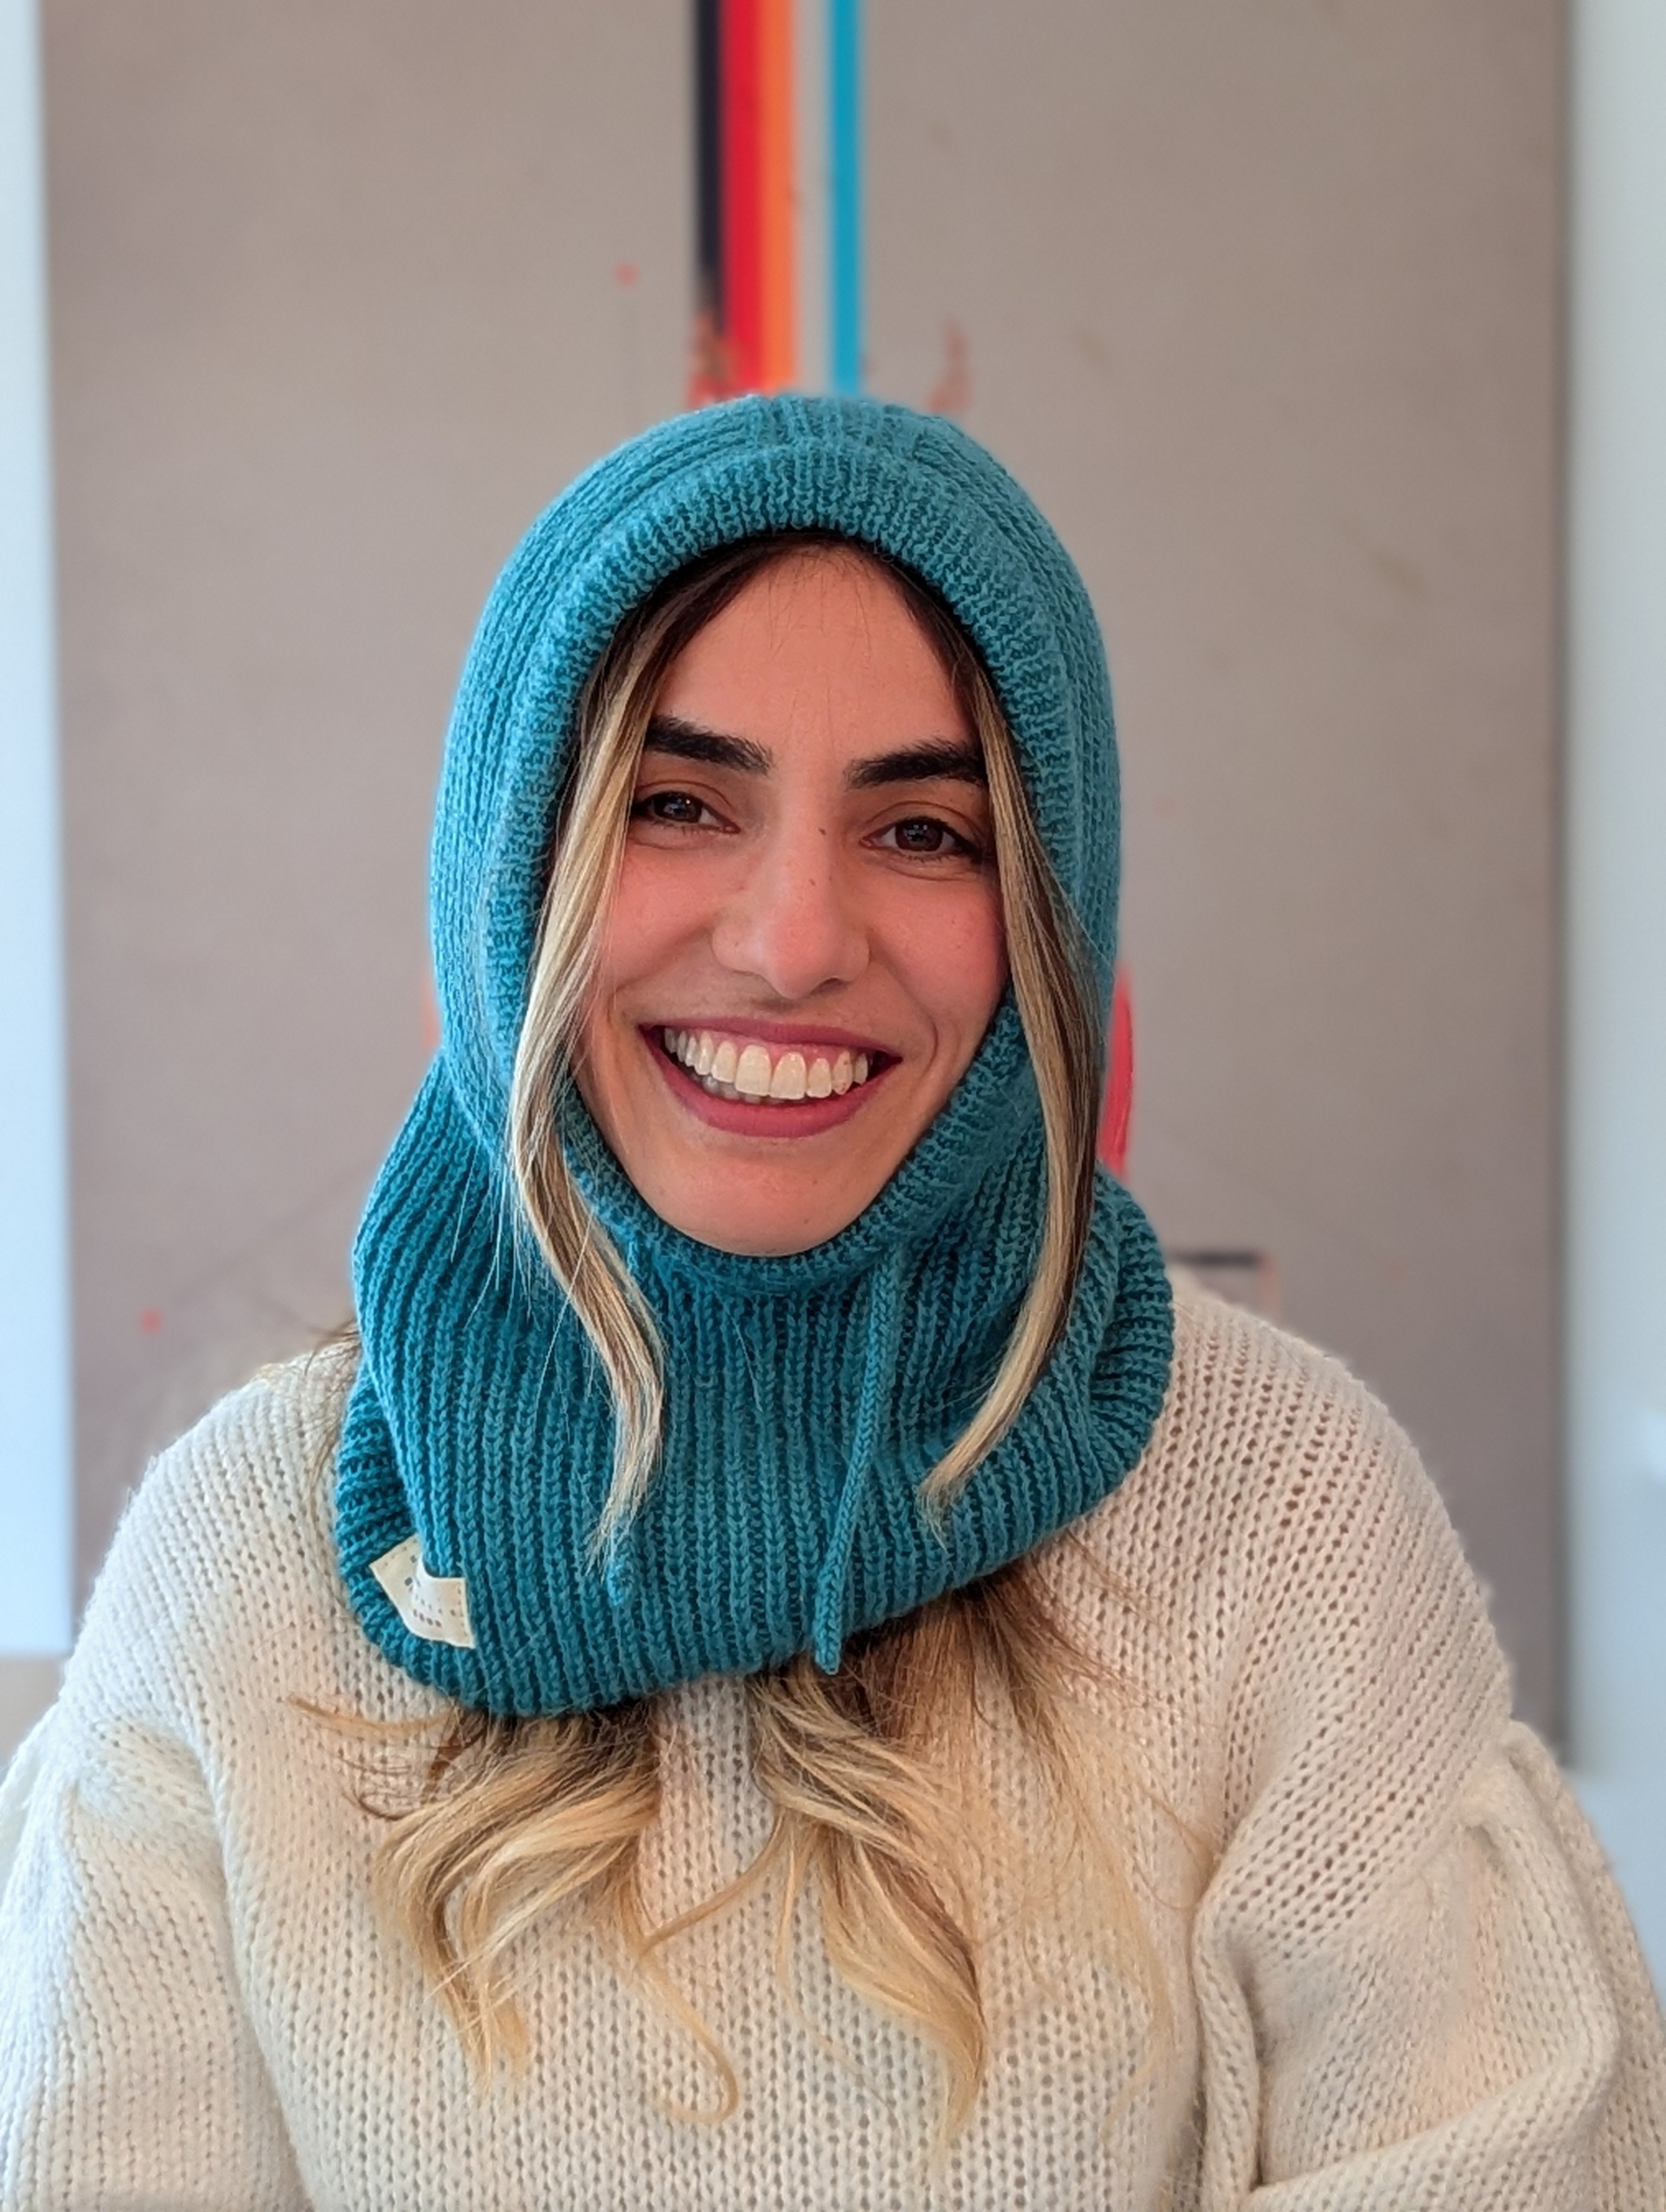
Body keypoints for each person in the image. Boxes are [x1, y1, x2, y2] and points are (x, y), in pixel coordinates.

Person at [1, 396, 1662, 2210]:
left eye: (927, 832)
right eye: (677, 803)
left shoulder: (1280, 1513)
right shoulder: (243, 1564)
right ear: (508, 876)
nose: (795, 939)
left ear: (1047, 914)